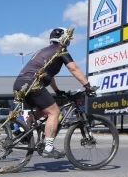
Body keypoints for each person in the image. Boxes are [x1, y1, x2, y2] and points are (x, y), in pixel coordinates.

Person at [13, 27, 96, 159]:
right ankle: (48, 147)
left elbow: (48, 75)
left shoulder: (43, 51)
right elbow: (73, 68)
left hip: (20, 83)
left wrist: (57, 90)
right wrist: (87, 85)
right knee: (54, 112)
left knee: (42, 111)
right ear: (64, 39)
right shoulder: (60, 50)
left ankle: (21, 131)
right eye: (68, 39)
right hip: (33, 84)